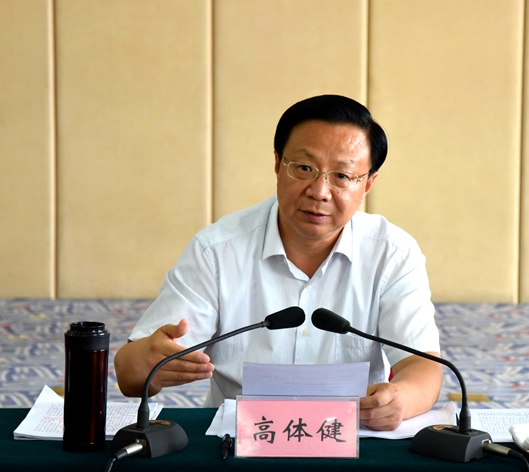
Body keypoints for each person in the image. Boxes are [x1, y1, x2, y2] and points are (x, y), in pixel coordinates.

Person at [114, 95, 443, 431]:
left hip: (350, 438)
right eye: (304, 168)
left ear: (368, 184)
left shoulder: (393, 254)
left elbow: (423, 366)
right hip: (239, 442)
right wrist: (147, 363)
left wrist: (400, 399)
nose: (319, 191)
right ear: (277, 164)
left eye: (342, 176)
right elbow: (128, 375)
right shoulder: (216, 251)